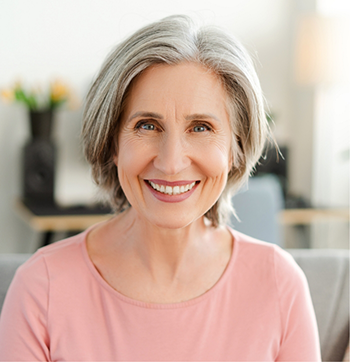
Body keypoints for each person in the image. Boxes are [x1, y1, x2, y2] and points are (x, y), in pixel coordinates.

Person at [0, 15, 321, 361]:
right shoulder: (41, 288)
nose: (171, 163)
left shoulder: (279, 284)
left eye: (200, 127)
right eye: (147, 125)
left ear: (235, 149)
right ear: (112, 142)